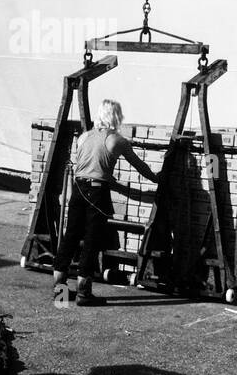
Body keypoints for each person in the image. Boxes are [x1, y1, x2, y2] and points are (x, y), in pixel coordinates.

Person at [53, 99, 159, 306]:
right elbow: (139, 165)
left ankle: (61, 293)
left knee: (70, 237)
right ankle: (84, 294)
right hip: (97, 192)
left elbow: (88, 163)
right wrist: (156, 179)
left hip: (78, 190)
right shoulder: (116, 140)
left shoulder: (84, 137)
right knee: (92, 241)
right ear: (116, 117)